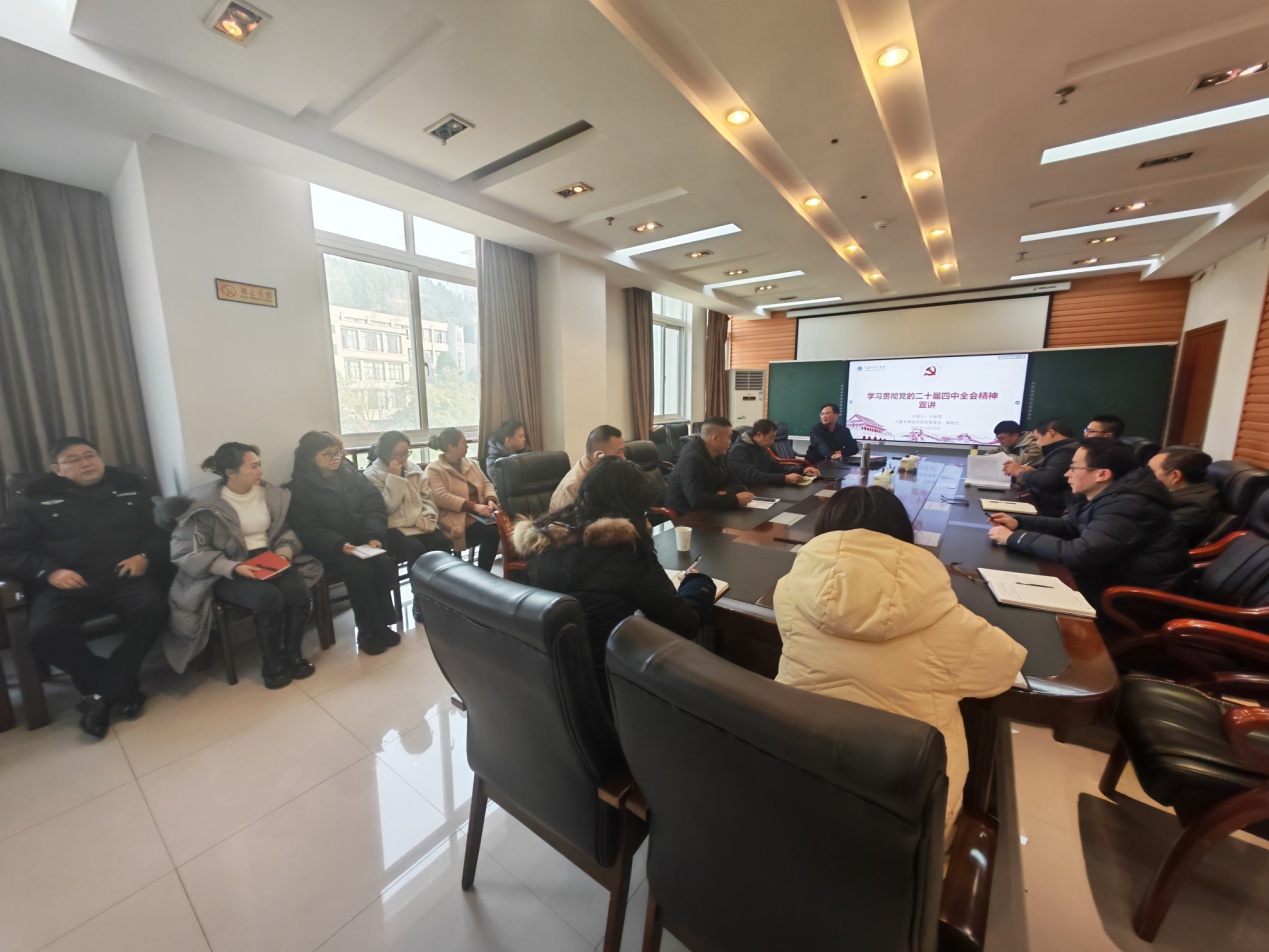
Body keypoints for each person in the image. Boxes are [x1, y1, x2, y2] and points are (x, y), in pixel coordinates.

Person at [773, 486, 1026, 841]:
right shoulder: (942, 617)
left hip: (794, 766)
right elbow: (1002, 670)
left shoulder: (788, 589)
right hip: (907, 804)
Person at [0, 438, 170, 737]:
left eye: (90, 455)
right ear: (58, 469)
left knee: (154, 610)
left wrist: (145, 555)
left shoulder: (130, 486)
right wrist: (49, 572)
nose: (86, 463)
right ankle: (120, 687)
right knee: (42, 634)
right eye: (74, 460)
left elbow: (161, 529)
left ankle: (100, 695)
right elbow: (8, 550)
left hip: (125, 575)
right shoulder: (35, 498)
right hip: (66, 583)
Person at [514, 457, 716, 700]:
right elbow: (685, 623)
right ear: (634, 507)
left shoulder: (546, 538)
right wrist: (699, 583)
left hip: (547, 679)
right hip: (608, 686)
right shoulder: (628, 552)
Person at [162, 443, 324, 689]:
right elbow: (187, 551)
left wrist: (284, 553)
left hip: (269, 558)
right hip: (226, 566)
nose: (260, 471)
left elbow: (284, 530)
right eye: (253, 466)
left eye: (260, 464)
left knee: (299, 594)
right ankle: (272, 662)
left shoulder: (271, 495)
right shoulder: (204, 504)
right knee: (268, 598)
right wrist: (232, 567)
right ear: (231, 473)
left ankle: (293, 653)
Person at [988, 439, 1192, 606]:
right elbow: (1070, 525)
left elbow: (1081, 553)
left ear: (1102, 474)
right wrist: (1019, 523)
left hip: (1132, 597)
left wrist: (1015, 538)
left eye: (1074, 468)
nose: (1067, 474)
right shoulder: (1110, 494)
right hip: (1106, 578)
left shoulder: (1129, 505)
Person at [287, 431, 401, 656]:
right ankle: (368, 632)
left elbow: (374, 505)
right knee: (359, 571)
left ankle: (382, 625)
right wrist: (339, 544)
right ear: (311, 456)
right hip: (329, 548)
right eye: (328, 454)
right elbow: (307, 527)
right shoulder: (299, 486)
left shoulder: (352, 475)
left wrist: (373, 535)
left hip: (362, 542)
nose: (335, 458)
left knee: (383, 564)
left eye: (338, 452)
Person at [363, 431, 452, 620]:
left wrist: (427, 516)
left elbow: (427, 497)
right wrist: (394, 477)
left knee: (441, 543)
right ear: (385, 452)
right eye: (397, 455)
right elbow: (385, 507)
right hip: (392, 527)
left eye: (406, 453)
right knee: (416, 550)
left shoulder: (413, 468)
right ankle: (419, 601)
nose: (403, 458)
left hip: (417, 523)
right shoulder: (372, 474)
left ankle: (441, 598)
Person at [425, 427, 501, 571]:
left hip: (481, 513)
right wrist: (474, 507)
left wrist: (490, 500)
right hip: (456, 518)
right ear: (451, 447)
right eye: (463, 442)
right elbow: (441, 497)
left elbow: (486, 484)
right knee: (491, 533)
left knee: (505, 525)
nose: (467, 446)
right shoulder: (434, 469)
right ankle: (483, 574)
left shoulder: (470, 463)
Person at [664, 417, 755, 513]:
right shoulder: (691, 460)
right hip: (685, 516)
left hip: (710, 510)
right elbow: (697, 500)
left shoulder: (719, 455)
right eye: (728, 438)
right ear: (715, 438)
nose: (730, 442)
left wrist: (725, 492)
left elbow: (739, 485)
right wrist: (735, 500)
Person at [1001, 419, 1079, 517]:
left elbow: (1050, 480)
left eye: (1037, 438)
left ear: (1050, 433)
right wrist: (1035, 472)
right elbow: (1055, 475)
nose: (1037, 443)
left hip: (1053, 512)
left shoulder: (1066, 452)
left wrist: (1020, 472)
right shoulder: (1062, 450)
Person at [1148, 446, 1221, 547]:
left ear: (1175, 476)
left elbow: (1149, 535)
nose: (1144, 476)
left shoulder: (1195, 506)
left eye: (1150, 472)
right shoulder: (1175, 492)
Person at [550, 424, 627, 511]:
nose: (624, 458)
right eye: (619, 452)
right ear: (599, 456)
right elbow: (571, 519)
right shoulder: (574, 486)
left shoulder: (608, 471)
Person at [727, 419, 821, 486]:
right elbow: (752, 476)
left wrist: (802, 470)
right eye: (771, 437)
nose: (772, 442)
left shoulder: (761, 447)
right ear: (759, 434)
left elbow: (775, 467)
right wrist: (784, 478)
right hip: (748, 491)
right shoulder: (739, 449)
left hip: (762, 488)